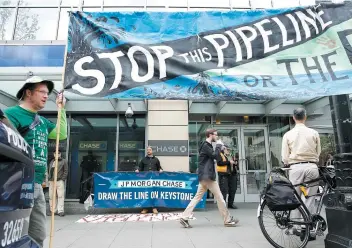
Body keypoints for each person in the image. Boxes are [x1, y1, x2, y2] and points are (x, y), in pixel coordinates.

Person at [4, 76, 67, 247]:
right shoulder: (10, 115)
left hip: (37, 184)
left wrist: (61, 109)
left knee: (38, 234)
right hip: (16, 184)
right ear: (28, 92)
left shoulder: (42, 121)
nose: (46, 96)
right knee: (12, 234)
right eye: (42, 92)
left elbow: (61, 134)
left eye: (48, 93)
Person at [179, 128, 239, 228]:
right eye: (216, 134)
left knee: (197, 197)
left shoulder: (207, 146)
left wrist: (221, 149)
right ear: (210, 135)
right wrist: (219, 146)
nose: (217, 136)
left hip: (205, 176)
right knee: (220, 198)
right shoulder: (206, 146)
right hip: (208, 177)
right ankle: (227, 220)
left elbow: (217, 157)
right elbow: (214, 155)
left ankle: (184, 217)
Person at [281, 107, 321, 240]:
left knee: (295, 198)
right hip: (311, 166)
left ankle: (295, 226)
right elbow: (318, 152)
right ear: (305, 117)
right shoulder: (314, 132)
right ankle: (306, 227)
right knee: (310, 197)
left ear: (293, 118)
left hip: (295, 167)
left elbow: (285, 157)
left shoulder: (288, 134)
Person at [135, 146, 162, 214]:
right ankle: (145, 208)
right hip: (146, 180)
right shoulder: (143, 159)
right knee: (146, 194)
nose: (148, 151)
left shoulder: (156, 159)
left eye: (150, 150)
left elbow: (159, 167)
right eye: (147, 150)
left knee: (154, 194)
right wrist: (138, 170)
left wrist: (160, 169)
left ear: (152, 151)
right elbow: (140, 167)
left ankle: (154, 208)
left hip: (154, 180)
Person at [47, 150, 68, 217]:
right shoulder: (52, 161)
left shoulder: (64, 161)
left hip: (59, 181)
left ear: (60, 154)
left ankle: (60, 211)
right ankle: (53, 210)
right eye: (55, 153)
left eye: (58, 153)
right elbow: (49, 170)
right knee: (51, 196)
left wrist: (62, 179)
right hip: (52, 181)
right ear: (53, 154)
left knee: (60, 196)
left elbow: (66, 171)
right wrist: (49, 178)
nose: (57, 154)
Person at [216, 145, 238, 209]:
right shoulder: (220, 154)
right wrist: (229, 162)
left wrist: (235, 163)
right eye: (227, 149)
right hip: (224, 175)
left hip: (232, 174)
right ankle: (223, 205)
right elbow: (219, 163)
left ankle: (230, 204)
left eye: (229, 149)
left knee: (233, 189)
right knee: (224, 190)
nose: (228, 151)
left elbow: (234, 163)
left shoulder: (231, 156)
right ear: (223, 149)